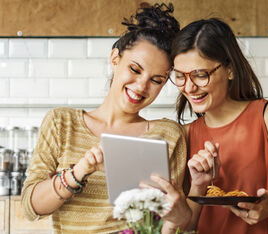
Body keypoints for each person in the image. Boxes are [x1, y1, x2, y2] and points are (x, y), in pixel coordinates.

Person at [21, 4, 190, 233]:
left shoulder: (169, 135)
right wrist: (77, 172)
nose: (141, 86)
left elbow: (168, 223)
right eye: (135, 69)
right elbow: (31, 207)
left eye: (157, 80)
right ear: (115, 58)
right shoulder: (62, 123)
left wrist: (178, 212)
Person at [169, 18, 268, 234]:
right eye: (180, 76)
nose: (189, 87)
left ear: (229, 69)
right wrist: (199, 186)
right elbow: (187, 224)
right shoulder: (186, 134)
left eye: (200, 75)